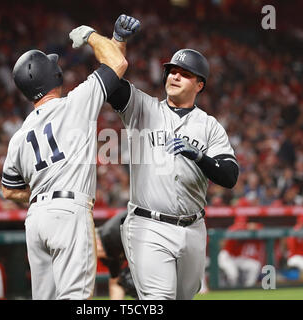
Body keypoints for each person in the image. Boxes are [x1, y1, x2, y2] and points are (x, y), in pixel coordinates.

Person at [1, 18, 136, 299]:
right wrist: (93, 36)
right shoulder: (75, 104)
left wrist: (41, 192)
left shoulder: (19, 135)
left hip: (35, 219)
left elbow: (9, 190)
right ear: (54, 76)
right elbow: (117, 65)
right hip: (68, 211)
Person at [107, 15, 239, 299]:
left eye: (184, 73)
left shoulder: (209, 125)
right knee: (158, 300)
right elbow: (113, 84)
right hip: (148, 224)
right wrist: (117, 43)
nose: (175, 76)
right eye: (172, 70)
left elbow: (229, 176)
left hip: (193, 228)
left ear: (199, 85)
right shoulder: (143, 109)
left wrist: (201, 158)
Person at [96, 210, 137, 299]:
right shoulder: (109, 254)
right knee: (126, 280)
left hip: (156, 227)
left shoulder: (110, 235)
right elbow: (115, 282)